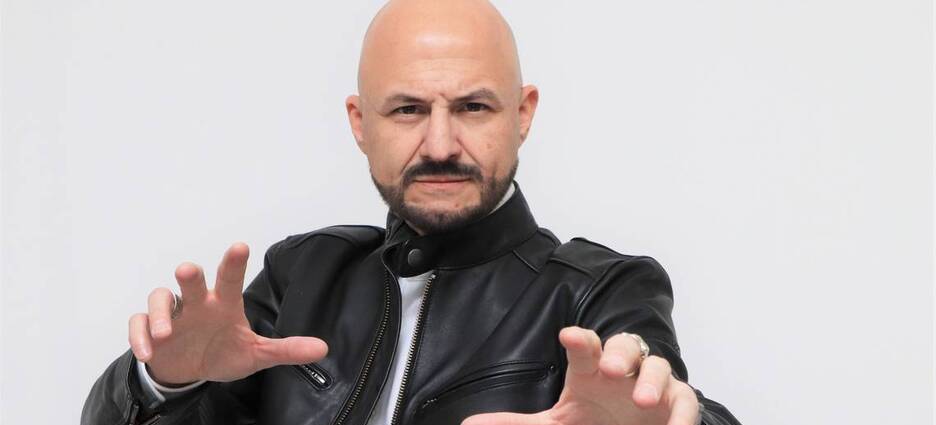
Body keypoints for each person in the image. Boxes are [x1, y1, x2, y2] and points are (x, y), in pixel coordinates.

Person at [81, 0, 741, 424]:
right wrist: (164, 382)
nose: (441, 145)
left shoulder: (598, 290)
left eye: (473, 107)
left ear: (523, 114)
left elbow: (661, 396)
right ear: (360, 123)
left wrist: (672, 419)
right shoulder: (302, 274)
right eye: (407, 110)